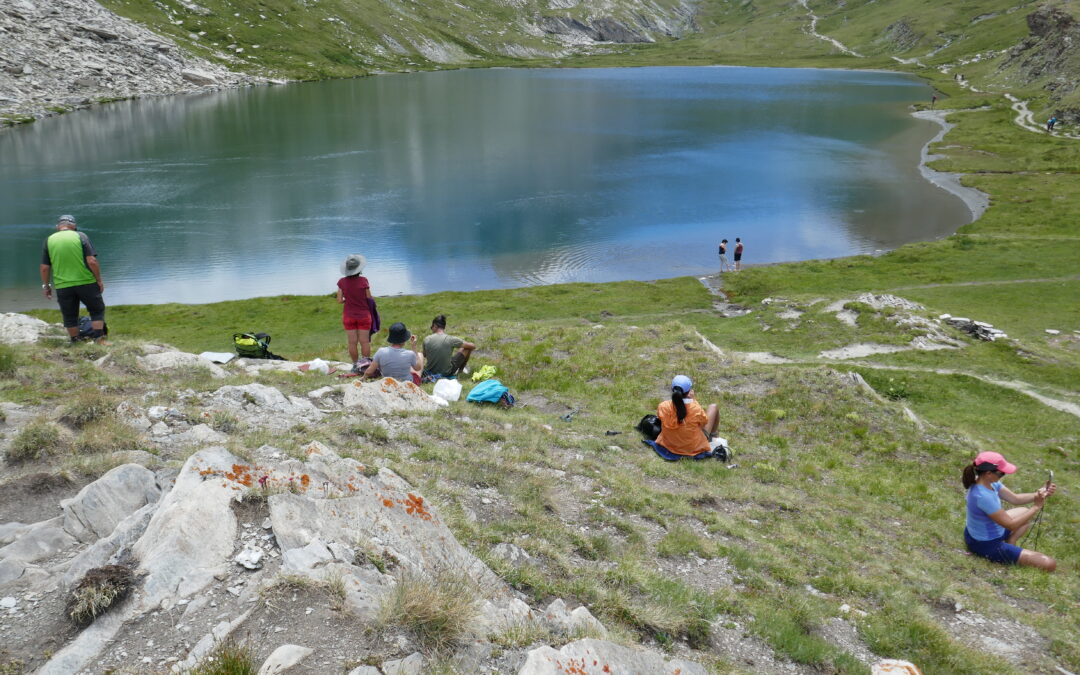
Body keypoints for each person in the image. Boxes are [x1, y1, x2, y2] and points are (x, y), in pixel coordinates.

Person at [962, 451, 1057, 571]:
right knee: (1050, 564)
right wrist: (1036, 507)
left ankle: (1010, 542)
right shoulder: (982, 496)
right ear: (988, 473)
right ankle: (1004, 549)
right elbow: (1011, 525)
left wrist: (1041, 493)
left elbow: (1015, 499)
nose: (1003, 475)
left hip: (984, 533)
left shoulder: (987, 482)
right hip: (986, 545)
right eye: (1001, 473)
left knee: (1023, 511)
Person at [39, 215, 109, 344]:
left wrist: (46, 286)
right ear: (74, 226)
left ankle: (75, 342)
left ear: (58, 227)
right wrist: (99, 280)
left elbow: (44, 267)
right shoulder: (81, 236)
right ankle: (99, 340)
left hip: (62, 285)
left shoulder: (49, 240)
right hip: (86, 281)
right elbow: (92, 261)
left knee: (69, 315)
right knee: (97, 310)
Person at [655, 375, 719, 457]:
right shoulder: (695, 408)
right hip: (692, 448)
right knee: (713, 407)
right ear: (689, 392)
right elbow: (704, 422)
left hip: (668, 445)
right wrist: (694, 400)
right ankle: (713, 437)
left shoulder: (663, 406)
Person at [336, 254, 373, 373]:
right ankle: (366, 364)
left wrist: (348, 299)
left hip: (348, 316)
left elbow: (339, 300)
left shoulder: (342, 282)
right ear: (359, 269)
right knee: (364, 341)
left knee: (352, 342)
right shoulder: (364, 280)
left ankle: (355, 365)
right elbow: (369, 298)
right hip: (364, 315)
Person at [422, 314, 475, 380]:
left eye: (431, 327)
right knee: (467, 348)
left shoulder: (426, 339)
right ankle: (461, 370)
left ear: (435, 325)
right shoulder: (450, 339)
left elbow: (424, 355)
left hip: (430, 371)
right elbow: (473, 346)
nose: (431, 328)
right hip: (446, 373)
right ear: (444, 327)